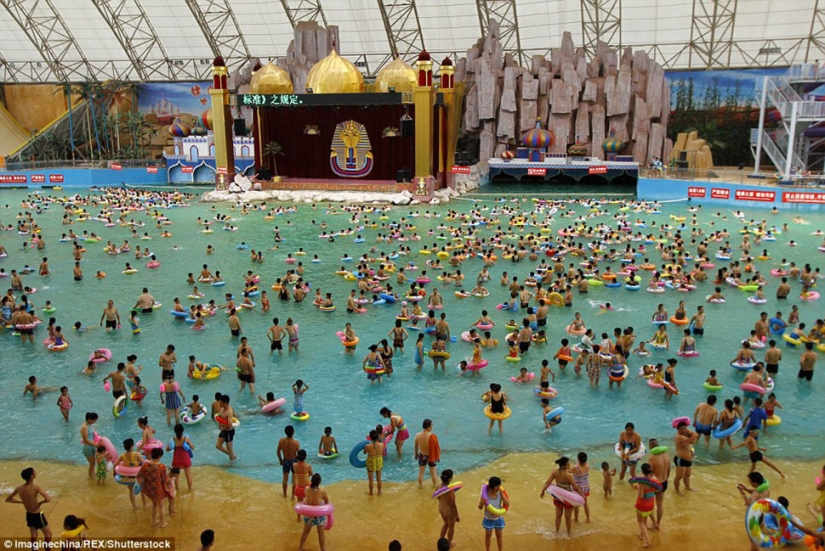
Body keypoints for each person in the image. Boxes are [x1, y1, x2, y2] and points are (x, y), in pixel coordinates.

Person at [5, 467, 52, 543]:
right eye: (34, 472)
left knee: (33, 535)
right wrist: (40, 502)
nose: (35, 472)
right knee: (48, 534)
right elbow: (48, 499)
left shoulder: (19, 488)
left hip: (29, 514)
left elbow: (8, 499)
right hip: (37, 514)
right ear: (32, 476)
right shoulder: (35, 487)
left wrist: (22, 502)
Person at [540, 456, 584, 535]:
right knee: (568, 518)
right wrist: (582, 496)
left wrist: (542, 490)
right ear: (563, 466)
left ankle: (556, 532)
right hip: (568, 499)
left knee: (558, 516)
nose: (569, 465)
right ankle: (569, 533)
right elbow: (575, 487)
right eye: (568, 464)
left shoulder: (554, 472)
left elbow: (547, 482)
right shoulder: (569, 475)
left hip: (558, 498)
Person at [136, 447, 170, 527]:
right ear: (159, 457)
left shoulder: (145, 465)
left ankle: (154, 521)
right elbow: (165, 479)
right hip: (159, 489)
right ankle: (163, 523)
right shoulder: (162, 467)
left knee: (155, 505)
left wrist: (142, 485)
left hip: (150, 489)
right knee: (162, 505)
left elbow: (139, 476)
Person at [298, 473, 329, 551]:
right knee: (321, 533)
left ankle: (300, 547)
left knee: (305, 532)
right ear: (320, 482)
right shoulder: (322, 491)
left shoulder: (306, 489)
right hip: (318, 516)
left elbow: (305, 498)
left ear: (311, 481)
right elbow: (327, 501)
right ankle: (323, 549)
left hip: (308, 515)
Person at [634, 463, 661, 547]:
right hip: (650, 503)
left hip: (642, 504)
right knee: (645, 520)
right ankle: (641, 535)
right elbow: (657, 490)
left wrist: (637, 487)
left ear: (642, 471)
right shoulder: (654, 479)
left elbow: (640, 495)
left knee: (640, 522)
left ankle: (647, 541)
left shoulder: (642, 482)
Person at [479, 476, 507, 551]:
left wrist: (503, 496)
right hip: (489, 519)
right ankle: (487, 549)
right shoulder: (485, 496)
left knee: (499, 536)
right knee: (488, 536)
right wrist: (482, 504)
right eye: (498, 486)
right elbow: (480, 507)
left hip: (498, 519)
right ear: (493, 487)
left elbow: (508, 504)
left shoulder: (499, 494)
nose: (499, 488)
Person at [436, 469, 460, 546]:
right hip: (448, 511)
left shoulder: (438, 485)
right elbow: (453, 505)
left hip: (441, 507)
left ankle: (441, 541)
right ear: (450, 479)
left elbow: (437, 497)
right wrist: (456, 515)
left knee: (445, 524)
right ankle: (449, 543)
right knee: (451, 527)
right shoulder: (450, 491)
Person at [673, 422, 699, 494]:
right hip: (681, 459)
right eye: (681, 429)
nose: (683, 430)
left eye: (685, 428)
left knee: (687, 475)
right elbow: (693, 440)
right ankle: (677, 490)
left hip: (689, 459)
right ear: (678, 429)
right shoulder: (678, 437)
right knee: (679, 477)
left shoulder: (686, 432)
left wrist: (688, 441)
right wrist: (690, 439)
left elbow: (696, 435)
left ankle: (687, 487)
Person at [414, 419, 440, 488]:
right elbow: (436, 448)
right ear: (428, 427)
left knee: (421, 472)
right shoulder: (432, 436)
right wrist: (437, 456)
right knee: (433, 473)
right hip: (431, 456)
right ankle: (434, 486)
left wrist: (416, 454)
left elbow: (416, 446)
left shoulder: (417, 435)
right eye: (431, 425)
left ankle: (420, 486)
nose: (432, 427)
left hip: (422, 455)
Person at [277, 425, 300, 498]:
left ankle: (284, 495)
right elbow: (299, 454)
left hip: (286, 460)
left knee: (285, 479)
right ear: (293, 432)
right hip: (294, 461)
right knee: (294, 480)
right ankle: (293, 496)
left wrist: (280, 460)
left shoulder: (281, 441)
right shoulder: (296, 443)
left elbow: (278, 452)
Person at [214, 395, 237, 461]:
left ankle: (231, 463)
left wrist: (222, 428)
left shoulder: (229, 411)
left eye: (221, 402)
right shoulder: (222, 409)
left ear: (225, 402)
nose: (219, 403)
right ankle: (233, 455)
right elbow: (220, 418)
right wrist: (219, 425)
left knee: (229, 448)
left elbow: (229, 424)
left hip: (229, 432)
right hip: (224, 430)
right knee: (218, 446)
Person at [365, 429, 384, 496]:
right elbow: (383, 452)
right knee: (379, 478)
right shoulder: (382, 444)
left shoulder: (368, 446)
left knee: (371, 480)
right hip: (379, 461)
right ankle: (379, 492)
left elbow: (365, 452)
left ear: (370, 437)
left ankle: (371, 493)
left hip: (371, 461)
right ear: (378, 436)